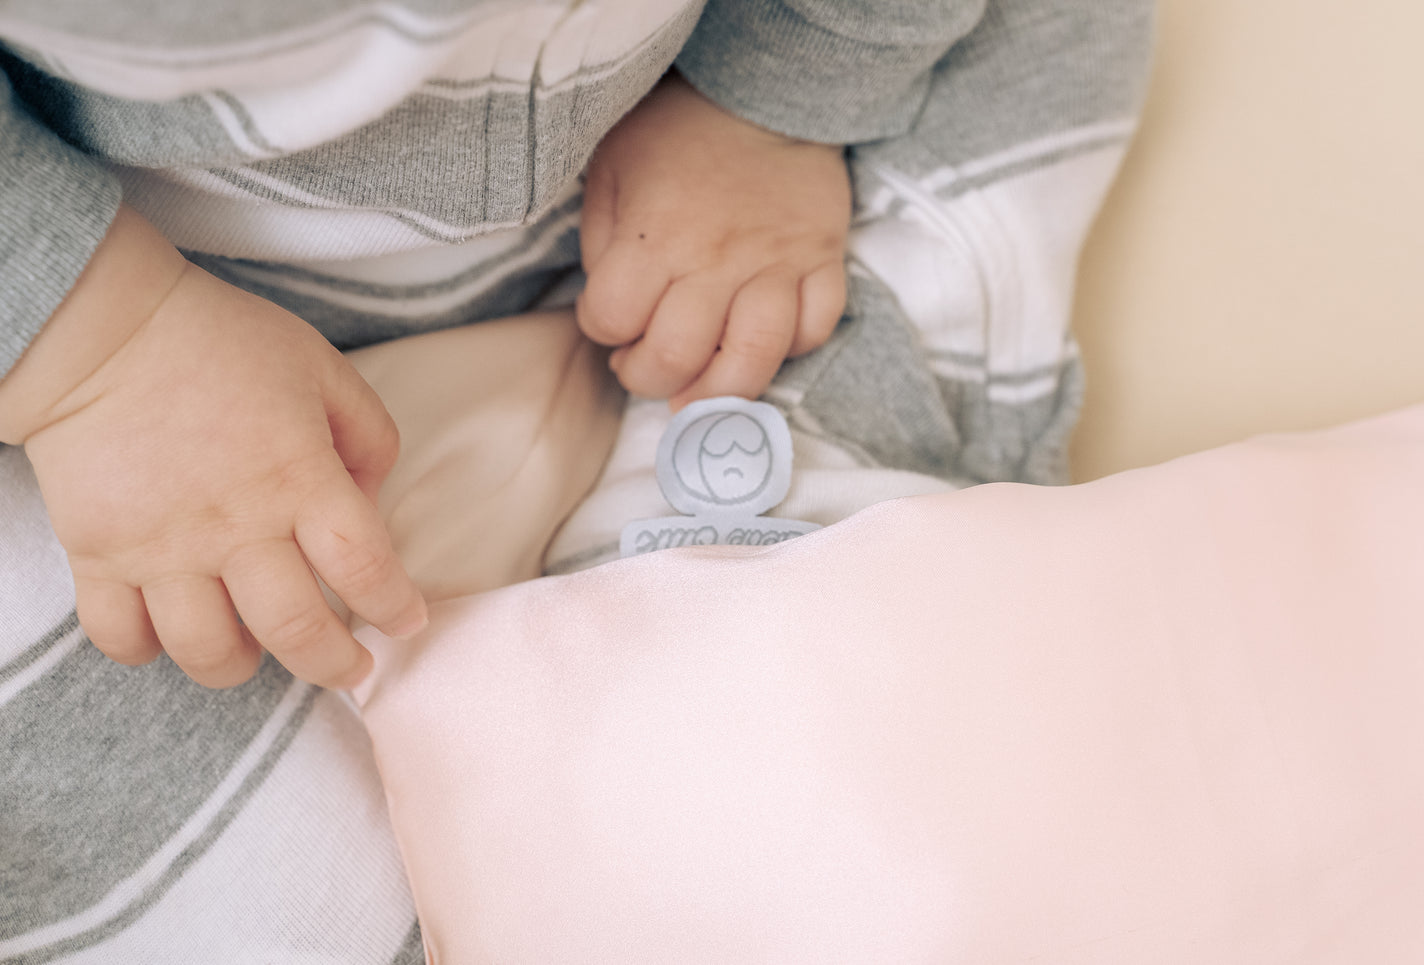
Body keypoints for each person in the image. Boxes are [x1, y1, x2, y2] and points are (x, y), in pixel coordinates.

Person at [0, 2, 1154, 961]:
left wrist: (768, 103)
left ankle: (767, 513)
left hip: (697, 137)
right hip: (103, 322)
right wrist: (86, 344)